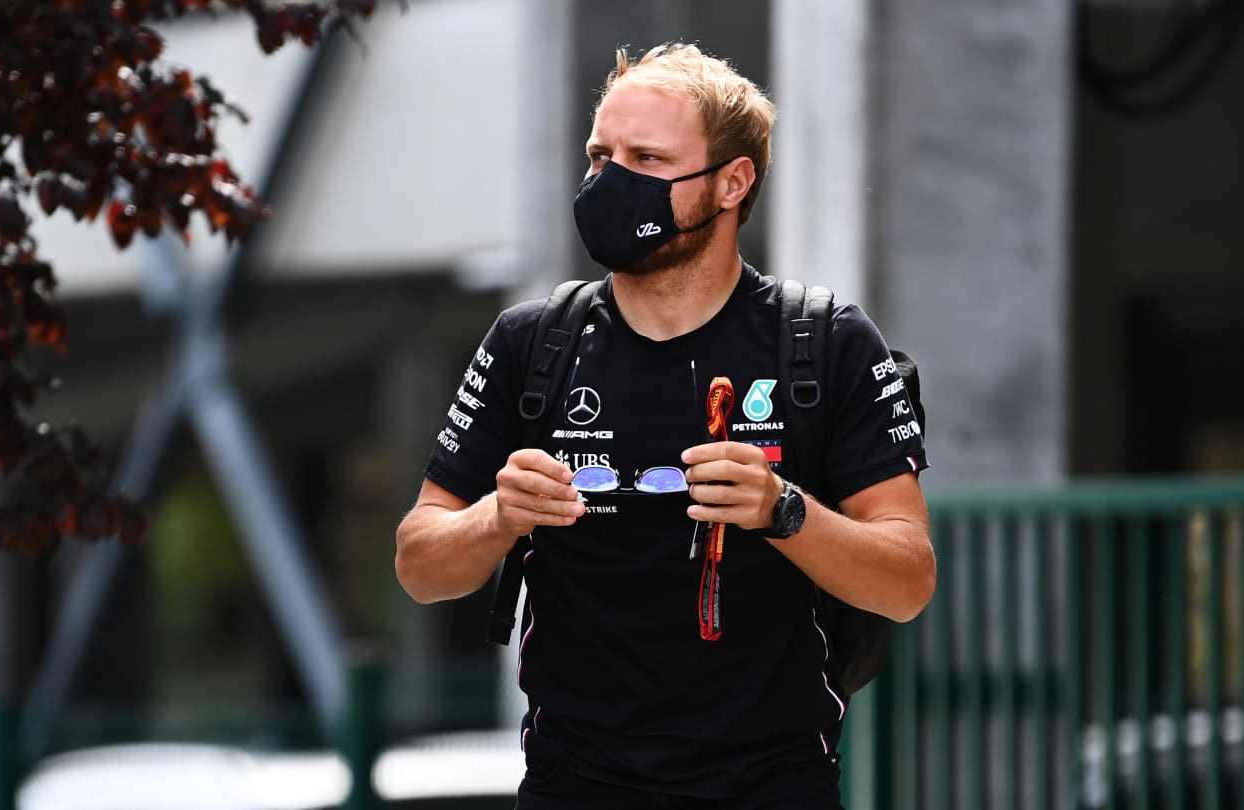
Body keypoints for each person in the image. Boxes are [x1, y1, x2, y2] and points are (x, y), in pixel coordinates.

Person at [395, 42, 935, 809]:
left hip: (773, 785)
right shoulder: (531, 344)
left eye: (646, 158)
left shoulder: (824, 342)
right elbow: (419, 564)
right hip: (574, 784)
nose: (611, 180)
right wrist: (497, 516)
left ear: (731, 183)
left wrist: (783, 509)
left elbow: (909, 579)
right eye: (599, 155)